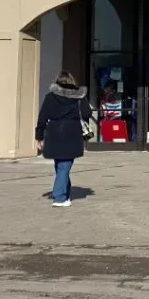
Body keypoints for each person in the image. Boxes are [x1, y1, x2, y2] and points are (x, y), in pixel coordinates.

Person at [35, 71, 90, 208]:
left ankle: (65, 194)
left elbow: (42, 117)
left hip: (54, 132)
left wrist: (39, 136)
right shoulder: (79, 96)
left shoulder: (50, 97)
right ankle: (59, 198)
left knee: (61, 165)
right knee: (64, 166)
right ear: (72, 81)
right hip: (72, 132)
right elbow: (87, 113)